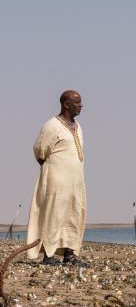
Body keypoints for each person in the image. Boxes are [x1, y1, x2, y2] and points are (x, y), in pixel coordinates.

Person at [26, 90, 88, 266]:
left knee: (74, 215)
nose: (81, 105)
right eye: (77, 102)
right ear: (66, 104)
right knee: (54, 214)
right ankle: (49, 254)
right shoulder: (51, 126)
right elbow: (40, 151)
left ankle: (70, 254)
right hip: (56, 180)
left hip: (76, 181)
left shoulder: (78, 126)